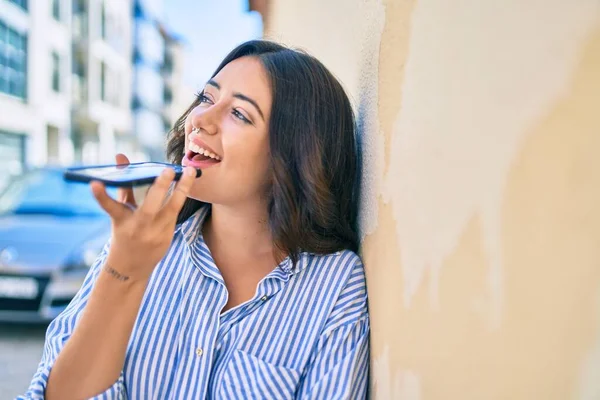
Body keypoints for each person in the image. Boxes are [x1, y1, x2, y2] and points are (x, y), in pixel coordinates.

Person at [20, 40, 369, 400]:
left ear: (294, 154)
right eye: (206, 98)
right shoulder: (137, 248)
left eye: (239, 114)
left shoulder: (335, 284)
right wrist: (124, 272)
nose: (200, 119)